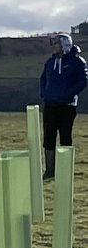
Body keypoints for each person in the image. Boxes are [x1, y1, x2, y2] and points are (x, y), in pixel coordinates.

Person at [42, 34, 86, 178]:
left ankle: (65, 171)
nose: (54, 47)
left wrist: (67, 95)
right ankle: (50, 171)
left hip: (67, 106)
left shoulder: (77, 62)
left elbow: (82, 81)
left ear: (65, 45)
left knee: (65, 137)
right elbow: (43, 79)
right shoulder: (50, 62)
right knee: (48, 137)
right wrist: (45, 94)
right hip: (50, 105)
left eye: (57, 44)